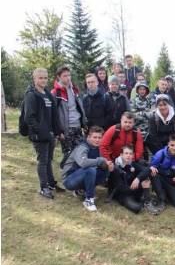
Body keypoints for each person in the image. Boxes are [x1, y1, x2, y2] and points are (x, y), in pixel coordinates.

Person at [23, 68, 61, 199]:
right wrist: (42, 132)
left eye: (45, 78)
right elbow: (29, 118)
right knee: (43, 161)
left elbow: (53, 116)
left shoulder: (48, 94)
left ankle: (51, 184)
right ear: (34, 79)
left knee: (49, 160)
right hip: (39, 135)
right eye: (40, 78)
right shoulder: (31, 95)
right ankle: (43, 187)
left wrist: (57, 132)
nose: (43, 80)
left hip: (50, 134)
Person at [61, 126, 114, 211]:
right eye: (95, 137)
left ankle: (81, 190)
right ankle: (88, 200)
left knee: (105, 170)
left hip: (80, 175)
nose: (97, 140)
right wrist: (101, 160)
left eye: (99, 138)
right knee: (90, 170)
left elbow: (100, 163)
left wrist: (108, 165)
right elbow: (83, 163)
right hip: (69, 179)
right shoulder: (83, 147)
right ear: (88, 137)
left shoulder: (98, 148)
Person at [51, 66, 87, 167]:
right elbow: (53, 115)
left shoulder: (74, 90)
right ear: (59, 77)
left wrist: (83, 124)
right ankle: (65, 171)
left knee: (80, 151)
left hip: (77, 126)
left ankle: (74, 173)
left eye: (69, 75)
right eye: (65, 75)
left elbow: (79, 108)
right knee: (68, 153)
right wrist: (58, 131)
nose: (68, 78)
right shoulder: (55, 93)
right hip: (66, 129)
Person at [109, 145, 159, 214]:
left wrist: (137, 179)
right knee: (137, 208)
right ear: (121, 155)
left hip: (132, 189)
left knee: (148, 173)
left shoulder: (132, 163)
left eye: (130, 154)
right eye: (126, 153)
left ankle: (147, 201)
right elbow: (121, 188)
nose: (128, 156)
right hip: (122, 193)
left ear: (132, 155)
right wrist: (140, 186)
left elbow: (146, 170)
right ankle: (146, 200)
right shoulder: (116, 167)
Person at [150, 134, 175, 210]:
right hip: (160, 179)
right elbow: (151, 167)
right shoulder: (160, 154)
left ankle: (166, 194)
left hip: (171, 182)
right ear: (168, 144)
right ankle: (161, 197)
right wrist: (151, 167)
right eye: (172, 145)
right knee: (153, 173)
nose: (174, 148)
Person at [131, 81, 153, 151]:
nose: (142, 91)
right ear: (137, 90)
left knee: (149, 150)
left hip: (148, 130)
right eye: (140, 89)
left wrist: (140, 112)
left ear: (146, 90)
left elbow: (152, 115)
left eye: (144, 89)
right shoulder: (133, 100)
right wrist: (145, 113)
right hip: (137, 129)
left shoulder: (150, 101)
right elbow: (133, 115)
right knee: (138, 149)